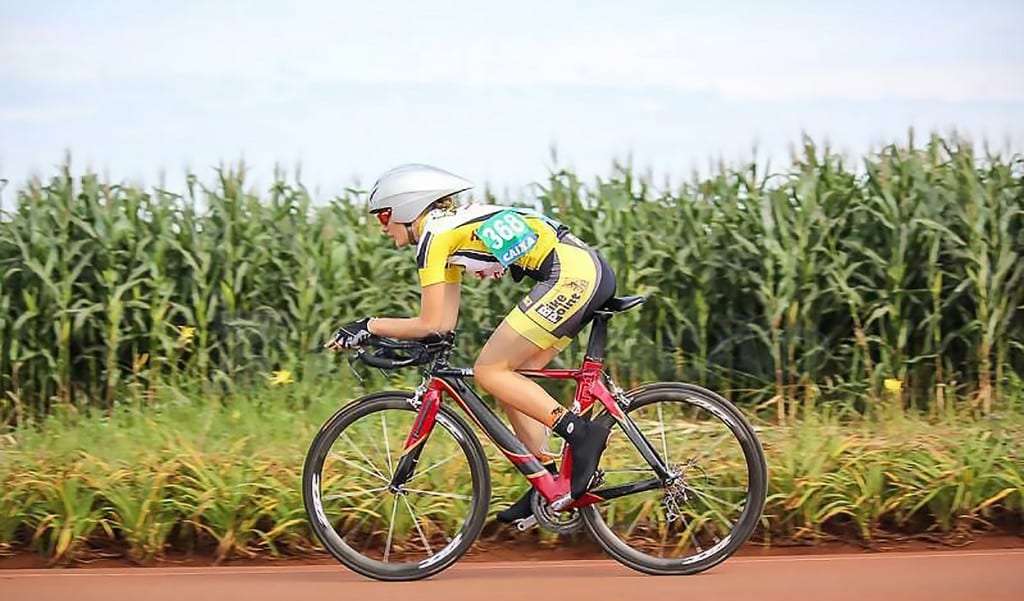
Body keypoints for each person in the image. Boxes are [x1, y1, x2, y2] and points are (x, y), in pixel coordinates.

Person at [326, 164, 617, 522]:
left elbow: (430, 322)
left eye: (384, 215)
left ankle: (580, 432)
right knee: (513, 378)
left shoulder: (435, 237)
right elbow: (442, 324)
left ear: (407, 208)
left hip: (572, 274)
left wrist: (368, 325)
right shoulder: (444, 234)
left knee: (489, 370)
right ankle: (551, 479)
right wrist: (400, 337)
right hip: (581, 270)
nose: (382, 226)